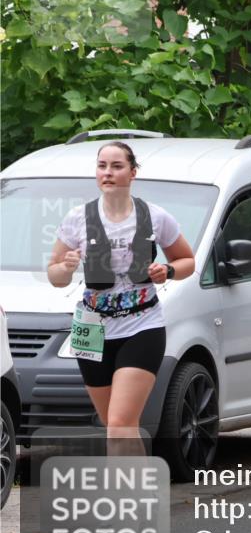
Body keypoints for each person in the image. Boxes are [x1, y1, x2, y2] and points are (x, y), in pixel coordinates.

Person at [47, 141, 195, 456]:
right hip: (91, 329)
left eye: (117, 166)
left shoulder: (156, 216)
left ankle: (127, 500)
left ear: (133, 172)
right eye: (102, 166)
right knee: (113, 425)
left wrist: (166, 270)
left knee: (120, 422)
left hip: (142, 326)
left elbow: (187, 262)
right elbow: (55, 276)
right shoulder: (78, 218)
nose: (108, 173)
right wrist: (67, 266)